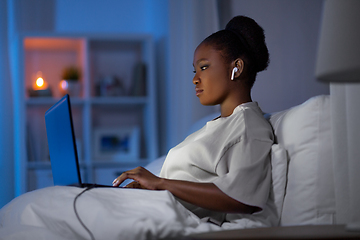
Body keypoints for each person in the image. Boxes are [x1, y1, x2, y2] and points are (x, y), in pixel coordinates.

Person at [113, 15, 275, 226]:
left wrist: (160, 183)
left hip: (171, 219)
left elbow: (243, 198)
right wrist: (147, 188)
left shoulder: (248, 126)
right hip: (153, 209)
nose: (195, 79)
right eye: (194, 70)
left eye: (204, 67)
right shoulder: (216, 125)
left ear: (237, 68)